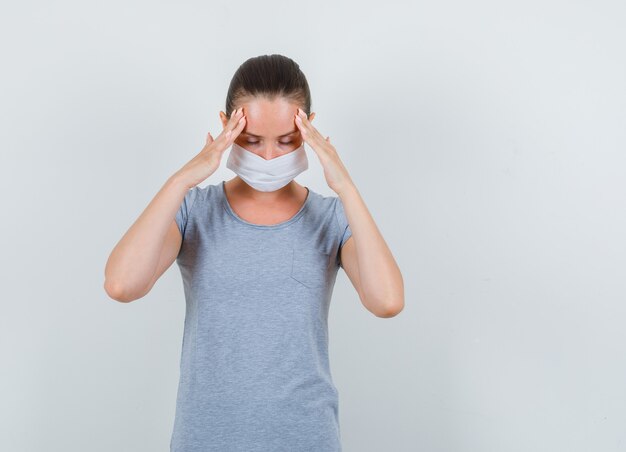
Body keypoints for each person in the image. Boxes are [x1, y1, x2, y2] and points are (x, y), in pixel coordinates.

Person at [104, 54, 404, 452]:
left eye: (286, 141)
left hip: (306, 438)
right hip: (205, 440)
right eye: (251, 140)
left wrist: (345, 186)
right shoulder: (195, 211)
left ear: (308, 129)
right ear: (227, 126)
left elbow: (386, 301)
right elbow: (123, 284)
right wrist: (183, 179)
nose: (268, 157)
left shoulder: (332, 219)